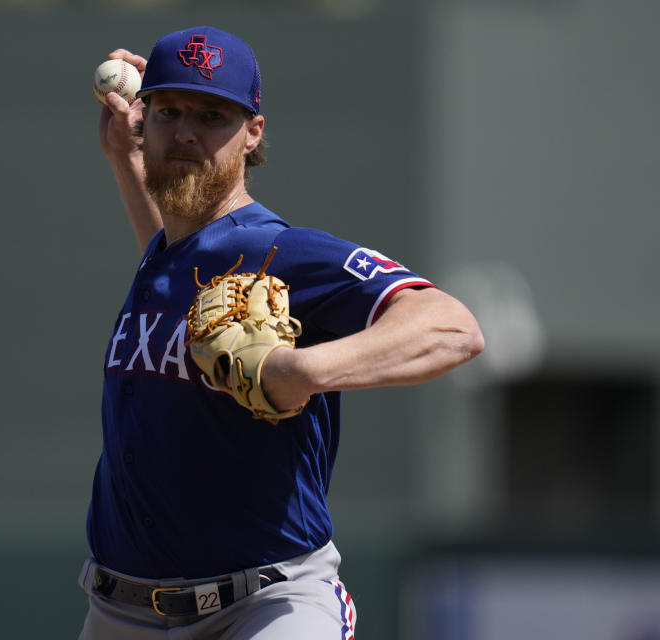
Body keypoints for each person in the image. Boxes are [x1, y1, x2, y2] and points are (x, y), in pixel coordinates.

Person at [78, 26, 484, 639]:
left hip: (265, 605)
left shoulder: (278, 252)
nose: (186, 131)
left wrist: (302, 371)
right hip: (119, 612)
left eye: (212, 116)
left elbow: (454, 327)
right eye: (169, 112)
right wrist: (125, 158)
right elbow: (177, 261)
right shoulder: (168, 256)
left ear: (253, 133)